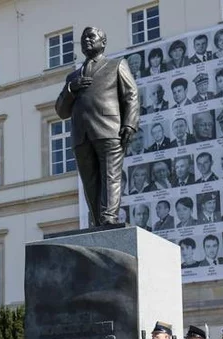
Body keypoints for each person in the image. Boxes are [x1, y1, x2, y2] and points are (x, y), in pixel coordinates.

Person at [54, 26, 139, 227]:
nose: (87, 40)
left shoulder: (117, 65)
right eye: (83, 38)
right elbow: (61, 110)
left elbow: (131, 95)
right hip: (81, 136)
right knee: (90, 182)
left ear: (103, 42)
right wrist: (70, 90)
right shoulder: (72, 78)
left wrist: (130, 123)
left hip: (110, 130)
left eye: (91, 36)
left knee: (111, 176)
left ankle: (109, 218)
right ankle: (97, 221)